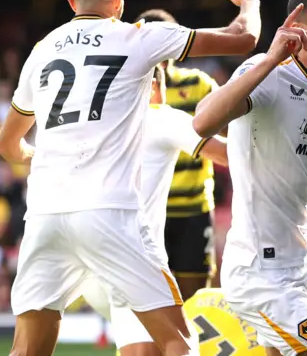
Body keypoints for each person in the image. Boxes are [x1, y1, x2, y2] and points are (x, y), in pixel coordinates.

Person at [0, 0, 261, 356]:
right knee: (178, 340)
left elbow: (6, 145)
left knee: (28, 348)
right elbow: (243, 38)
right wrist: (249, 1)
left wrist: (34, 154)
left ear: (71, 1)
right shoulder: (138, 38)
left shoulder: (41, 50)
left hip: (45, 216)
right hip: (110, 215)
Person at [193, 0, 307, 355]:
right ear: (300, 29)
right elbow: (202, 122)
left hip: (298, 266)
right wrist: (272, 58)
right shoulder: (266, 73)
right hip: (260, 273)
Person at [83, 65, 228, 356]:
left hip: (87, 262)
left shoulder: (94, 123)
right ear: (153, 87)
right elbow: (231, 155)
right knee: (182, 346)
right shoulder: (160, 117)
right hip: (136, 260)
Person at [135, 8, 221, 300]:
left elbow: (233, 126)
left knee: (195, 301)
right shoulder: (128, 89)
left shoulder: (199, 85)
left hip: (192, 211)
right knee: (148, 300)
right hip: (145, 214)